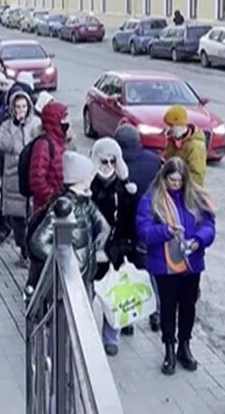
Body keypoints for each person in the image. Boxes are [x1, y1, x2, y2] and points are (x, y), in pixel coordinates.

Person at [136, 157, 216, 376]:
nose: (175, 185)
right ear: (164, 178)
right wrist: (165, 231)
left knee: (188, 306)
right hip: (165, 264)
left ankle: (184, 346)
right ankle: (169, 348)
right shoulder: (151, 199)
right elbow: (143, 231)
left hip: (191, 261)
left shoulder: (196, 197)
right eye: (171, 180)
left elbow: (209, 225)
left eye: (179, 181)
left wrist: (198, 239)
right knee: (168, 307)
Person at [29, 152, 111, 291]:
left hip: (84, 274)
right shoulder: (63, 207)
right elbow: (38, 242)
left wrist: (93, 250)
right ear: (80, 178)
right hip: (69, 280)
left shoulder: (85, 201)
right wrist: (64, 262)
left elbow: (104, 227)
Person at [114, 124, 163, 333]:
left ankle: (128, 320)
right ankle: (156, 315)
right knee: (149, 272)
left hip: (122, 227)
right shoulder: (153, 161)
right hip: (147, 227)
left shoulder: (116, 164)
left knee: (124, 274)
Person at [89, 137, 134, 356]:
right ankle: (84, 333)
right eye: (104, 161)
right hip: (90, 255)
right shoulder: (87, 188)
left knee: (114, 297)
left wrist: (117, 251)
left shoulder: (123, 190)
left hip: (113, 254)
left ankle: (111, 336)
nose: (107, 166)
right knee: (86, 297)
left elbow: (127, 226)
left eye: (112, 161)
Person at [0, 90, 42, 265]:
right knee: (18, 219)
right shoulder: (6, 126)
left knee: (32, 217)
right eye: (17, 107)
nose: (21, 110)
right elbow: (1, 144)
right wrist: (15, 128)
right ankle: (23, 250)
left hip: (31, 176)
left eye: (23, 107)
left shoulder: (36, 124)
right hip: (13, 177)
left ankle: (31, 251)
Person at [28, 101, 69, 214]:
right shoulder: (43, 145)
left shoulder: (58, 140)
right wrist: (52, 196)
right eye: (63, 118)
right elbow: (37, 179)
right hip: (46, 206)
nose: (66, 122)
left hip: (57, 204)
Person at [162, 105, 207, 186]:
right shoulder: (173, 140)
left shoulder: (195, 146)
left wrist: (177, 183)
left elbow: (197, 177)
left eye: (172, 126)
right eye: (168, 125)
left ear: (181, 125)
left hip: (186, 190)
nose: (168, 129)